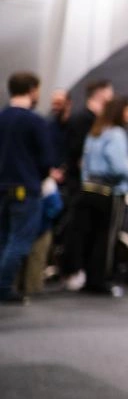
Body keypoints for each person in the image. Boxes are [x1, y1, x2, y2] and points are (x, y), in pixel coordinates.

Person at [69, 96, 128, 296]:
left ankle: (90, 279)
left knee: (89, 237)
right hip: (109, 193)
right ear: (119, 112)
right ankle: (99, 280)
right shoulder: (116, 134)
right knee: (105, 239)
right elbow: (118, 167)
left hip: (88, 190)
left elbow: (84, 164)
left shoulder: (95, 132)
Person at [0, 72, 56, 303]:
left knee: (4, 240)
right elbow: (46, 160)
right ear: (33, 90)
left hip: (3, 189)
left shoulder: (2, 117)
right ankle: (3, 287)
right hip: (26, 189)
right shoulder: (35, 121)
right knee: (20, 242)